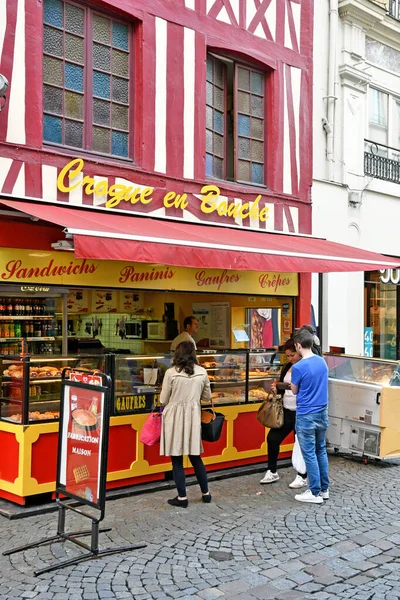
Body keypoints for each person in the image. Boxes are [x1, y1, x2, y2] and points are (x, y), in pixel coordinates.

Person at [159, 341, 212, 507]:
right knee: (196, 457)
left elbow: (163, 399)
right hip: (193, 416)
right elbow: (207, 397)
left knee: (176, 458)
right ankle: (206, 493)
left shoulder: (170, 373)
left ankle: (182, 497)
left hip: (174, 416)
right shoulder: (202, 372)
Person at [260, 338, 307, 489]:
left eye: (292, 355)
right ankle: (272, 470)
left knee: (300, 444)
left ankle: (302, 475)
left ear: (299, 352)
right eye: (287, 356)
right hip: (286, 409)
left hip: (301, 411)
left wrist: (284, 386)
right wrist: (277, 387)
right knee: (273, 438)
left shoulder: (306, 366)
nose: (290, 358)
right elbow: (283, 385)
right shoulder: (287, 366)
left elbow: (304, 387)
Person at [290, 329, 329, 504]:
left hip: (306, 414)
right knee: (321, 450)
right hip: (322, 412)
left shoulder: (298, 367)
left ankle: (314, 492)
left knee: (310, 454)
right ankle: (324, 488)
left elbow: (294, 390)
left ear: (298, 345)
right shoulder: (322, 362)